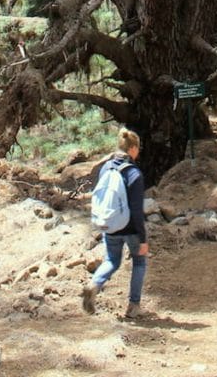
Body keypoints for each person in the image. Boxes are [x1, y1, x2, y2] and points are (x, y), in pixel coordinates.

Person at [82, 127, 149, 319]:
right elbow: (136, 211)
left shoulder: (106, 167)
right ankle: (133, 306)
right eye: (138, 148)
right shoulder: (134, 173)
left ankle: (94, 284)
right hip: (130, 227)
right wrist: (143, 239)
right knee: (139, 262)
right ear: (133, 148)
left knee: (111, 260)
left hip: (110, 224)